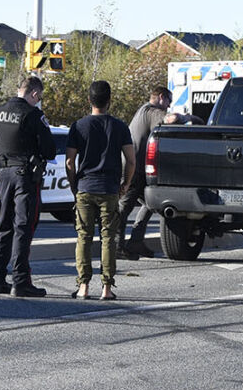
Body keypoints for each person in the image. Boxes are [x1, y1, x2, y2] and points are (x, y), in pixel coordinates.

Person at [0, 74, 57, 297]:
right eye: (38, 97)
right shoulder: (33, 115)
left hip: (4, 175)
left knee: (4, 226)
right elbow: (50, 151)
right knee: (23, 227)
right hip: (25, 176)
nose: (38, 101)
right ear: (33, 93)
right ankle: (21, 281)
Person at [64, 79, 135, 301]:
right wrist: (126, 184)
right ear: (109, 101)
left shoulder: (78, 126)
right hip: (109, 188)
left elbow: (69, 161)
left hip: (85, 187)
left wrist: (75, 185)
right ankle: (106, 288)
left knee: (83, 237)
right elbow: (131, 160)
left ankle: (83, 286)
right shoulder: (120, 126)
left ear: (89, 100)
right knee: (108, 238)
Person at [119, 85, 171, 260]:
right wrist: (188, 117)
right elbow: (170, 120)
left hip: (136, 166)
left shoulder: (142, 109)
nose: (168, 107)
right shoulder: (152, 111)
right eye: (168, 102)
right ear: (162, 97)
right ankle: (117, 246)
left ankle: (136, 241)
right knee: (124, 207)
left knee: (150, 202)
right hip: (133, 167)